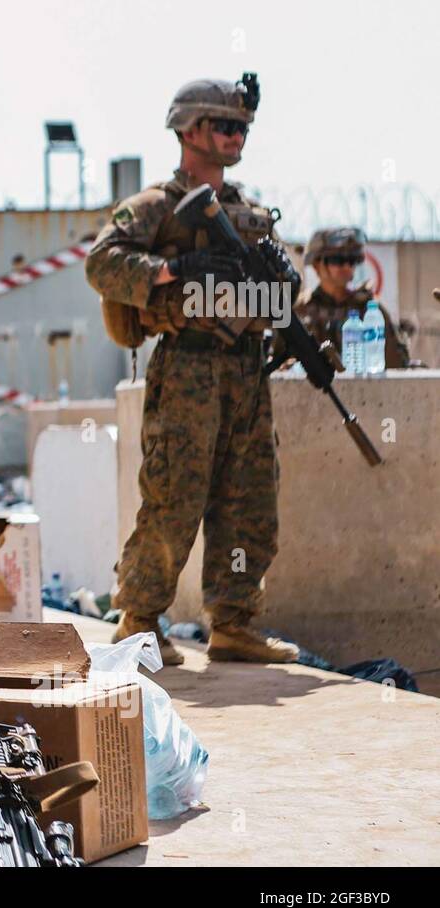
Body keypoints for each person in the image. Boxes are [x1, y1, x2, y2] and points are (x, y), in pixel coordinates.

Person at [85, 75, 299, 665]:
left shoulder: (249, 211)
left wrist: (282, 289)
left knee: (249, 501)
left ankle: (232, 623)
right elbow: (102, 262)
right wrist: (175, 269)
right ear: (191, 129)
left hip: (248, 371)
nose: (236, 137)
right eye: (226, 126)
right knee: (174, 498)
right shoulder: (156, 205)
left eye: (242, 128)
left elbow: (286, 288)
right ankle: (139, 619)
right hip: (189, 370)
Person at [295, 227, 412, 368]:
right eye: (337, 260)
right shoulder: (299, 310)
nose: (347, 267)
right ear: (316, 265)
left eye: (352, 260)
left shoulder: (369, 311)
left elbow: (395, 364)